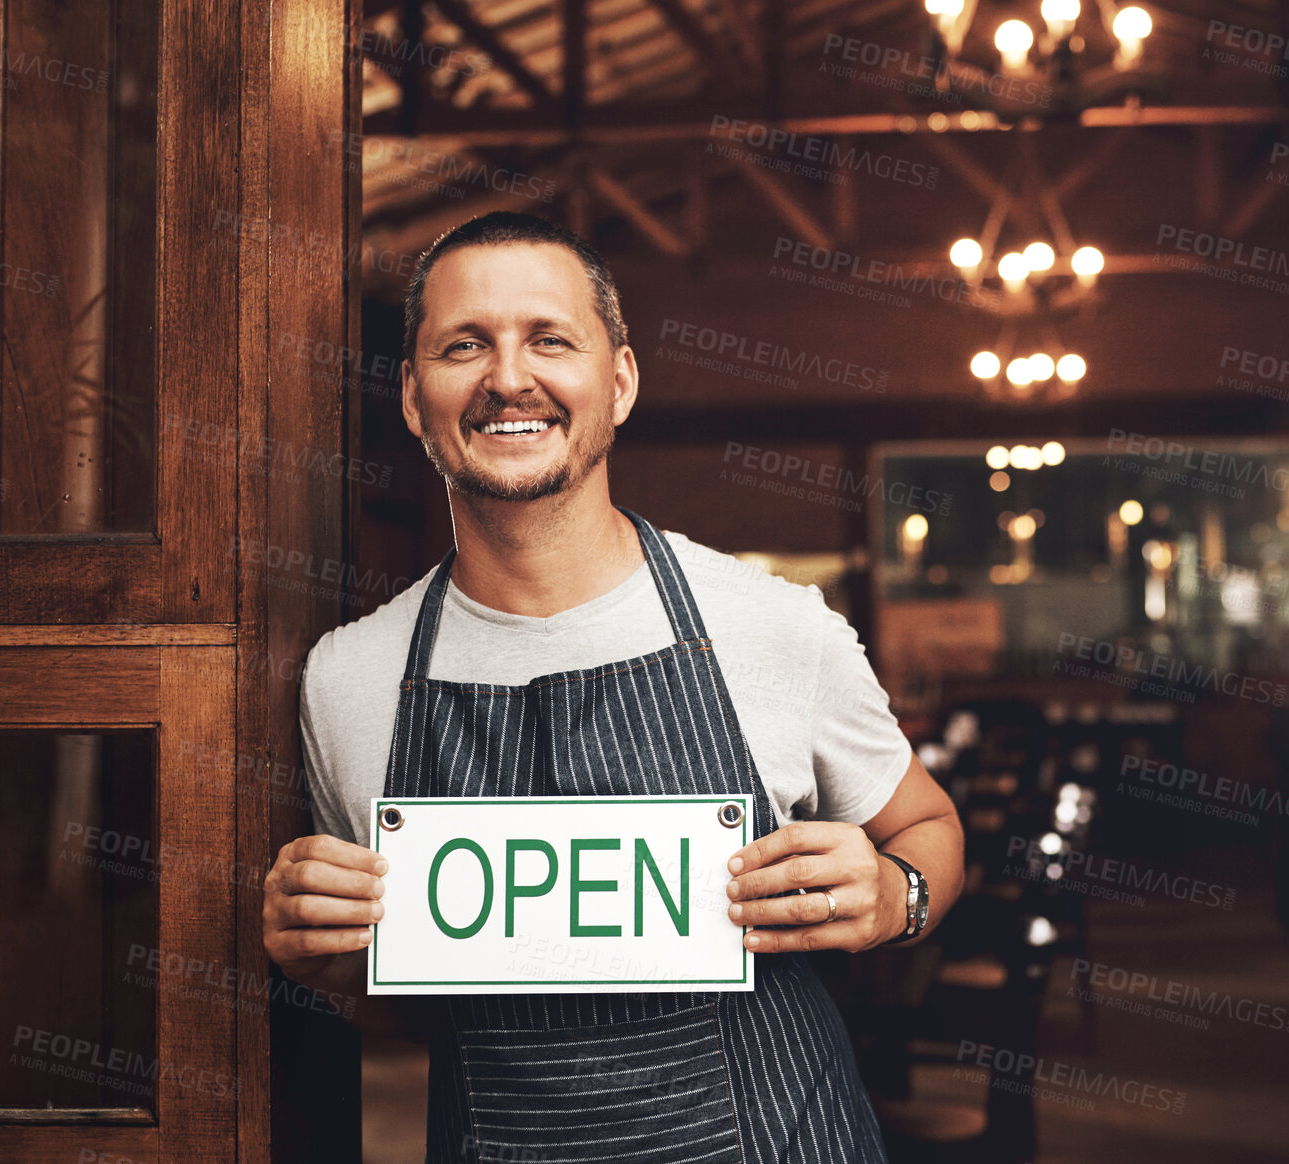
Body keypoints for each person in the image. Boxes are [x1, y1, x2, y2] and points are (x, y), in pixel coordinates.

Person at [262, 211, 963, 1163]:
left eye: (550, 339)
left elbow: (930, 829)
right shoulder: (349, 678)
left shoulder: (773, 624)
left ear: (620, 381)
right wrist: (319, 955)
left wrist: (895, 897)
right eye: (465, 345)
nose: (509, 378)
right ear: (412, 396)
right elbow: (385, 993)